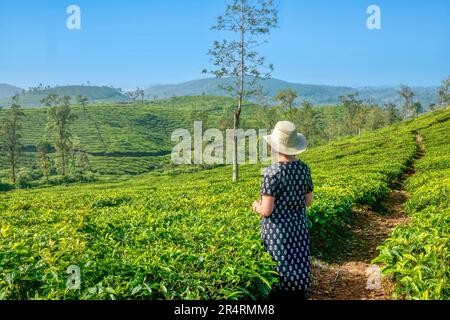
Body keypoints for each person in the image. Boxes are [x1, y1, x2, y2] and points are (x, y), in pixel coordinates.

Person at [252, 121, 314, 301]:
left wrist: (256, 205)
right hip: (299, 228)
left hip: (278, 233)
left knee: (280, 271)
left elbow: (267, 210)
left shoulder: (271, 172)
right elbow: (308, 201)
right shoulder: (304, 169)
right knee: (298, 268)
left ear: (274, 146)